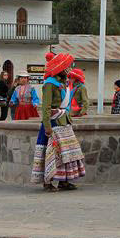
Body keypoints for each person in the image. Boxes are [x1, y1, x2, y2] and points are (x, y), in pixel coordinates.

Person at [30, 52, 85, 192]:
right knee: (50, 153)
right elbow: (46, 107)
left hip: (64, 121)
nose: (69, 69)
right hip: (53, 123)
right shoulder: (49, 84)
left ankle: (63, 180)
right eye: (67, 67)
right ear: (61, 68)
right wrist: (47, 126)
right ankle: (47, 182)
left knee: (66, 153)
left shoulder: (64, 83)